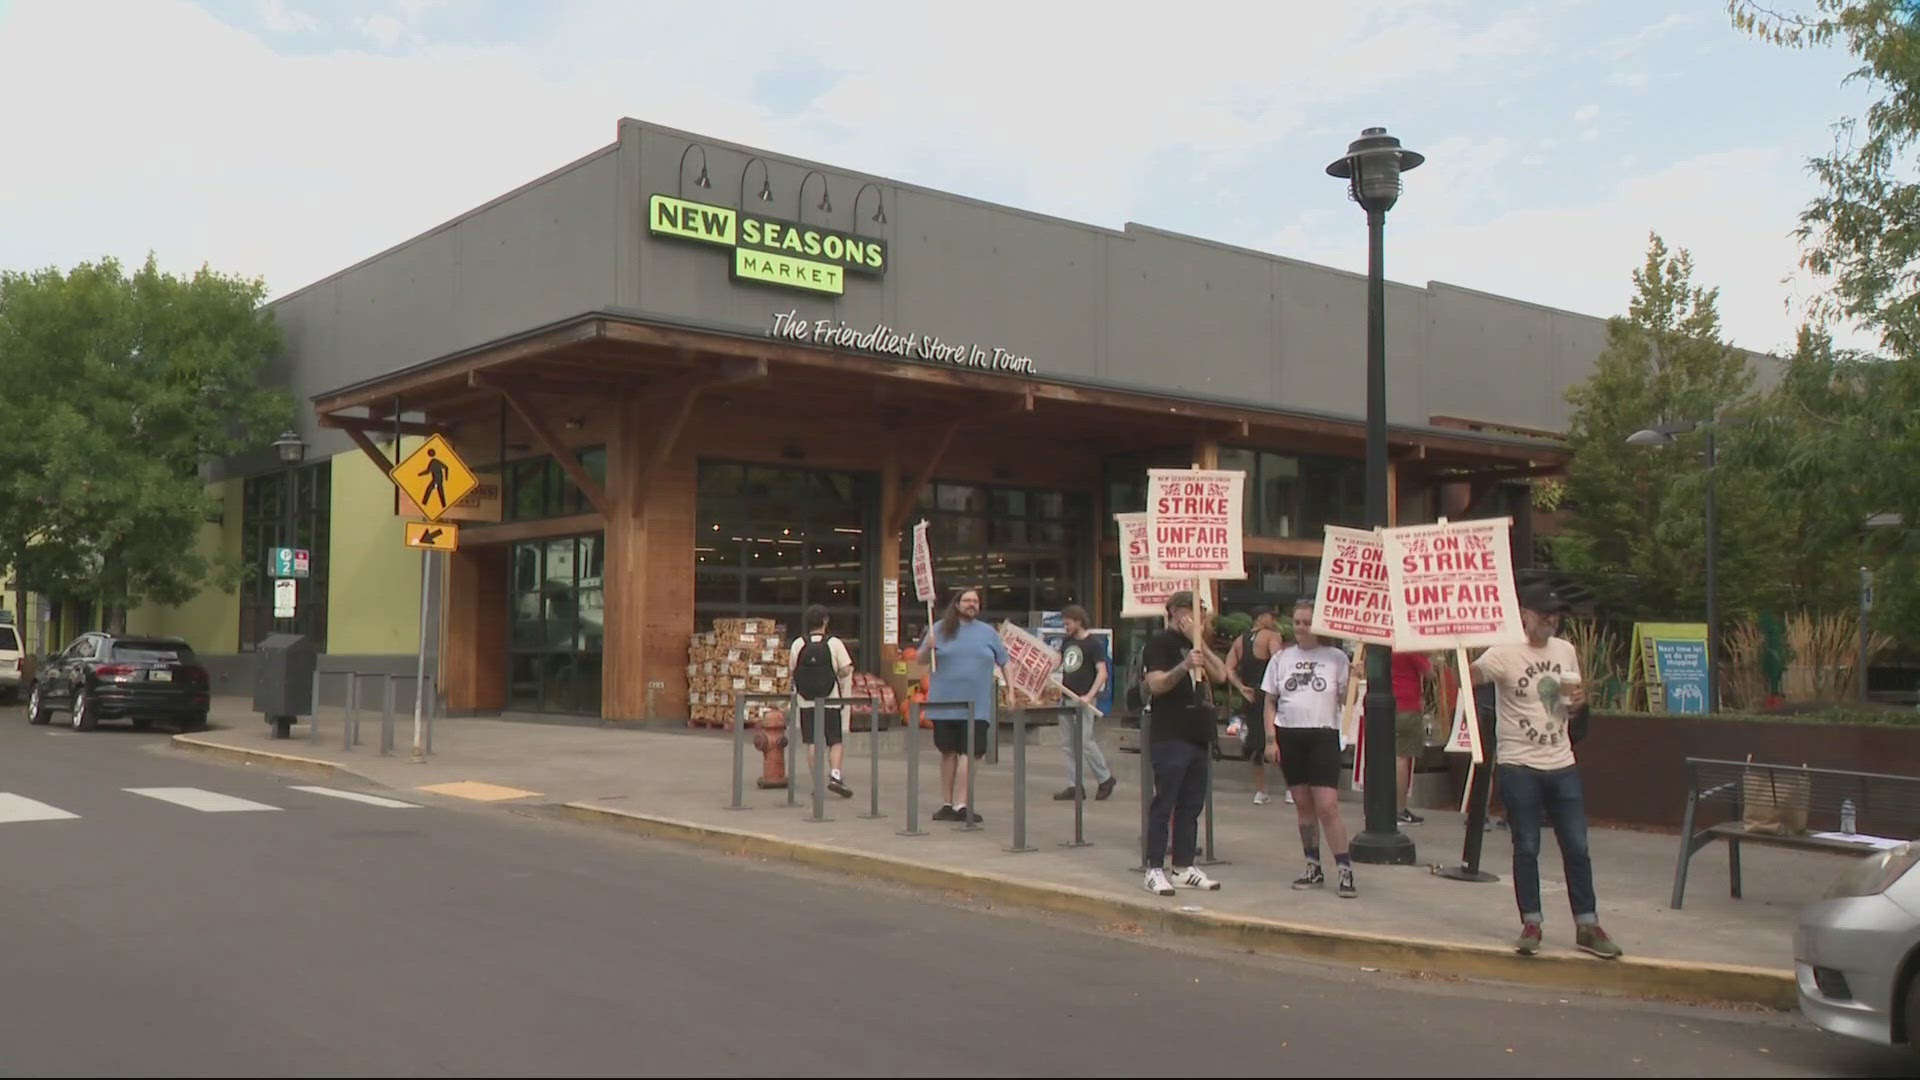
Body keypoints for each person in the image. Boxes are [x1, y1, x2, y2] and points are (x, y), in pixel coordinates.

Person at [1470, 580, 1623, 959]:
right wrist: (1460, 648)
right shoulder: (1504, 651)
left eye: (1556, 614)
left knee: (1577, 846)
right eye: (1545, 614)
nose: (1551, 620)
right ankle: (1532, 921)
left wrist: (1579, 704)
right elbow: (1470, 676)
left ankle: (1587, 923)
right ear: (1525, 614)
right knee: (1526, 845)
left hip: (1561, 760)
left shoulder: (1566, 650)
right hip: (1519, 763)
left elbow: (1571, 701)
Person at [1264, 600, 1358, 898]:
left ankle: (1344, 868)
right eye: (1298, 622)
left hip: (1323, 734)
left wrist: (1355, 679)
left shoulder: (1336, 657)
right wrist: (1270, 739)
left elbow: (1346, 700)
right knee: (1303, 804)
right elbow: (1270, 701)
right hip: (1290, 733)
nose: (1302, 628)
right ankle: (1312, 864)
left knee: (1327, 805)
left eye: (1307, 622)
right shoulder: (1281, 658)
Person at [1140, 590, 1228, 896]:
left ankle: (1183, 865)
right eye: (1191, 610)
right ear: (1175, 612)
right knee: (1165, 802)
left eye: (1201, 611)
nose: (1197, 616)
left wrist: (1199, 642)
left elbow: (1221, 676)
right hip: (1170, 732)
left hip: (1197, 733)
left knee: (1191, 804)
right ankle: (1153, 867)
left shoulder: (1197, 645)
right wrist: (1184, 667)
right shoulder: (1160, 643)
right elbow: (1156, 684)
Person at [918, 588, 1009, 824]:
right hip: (944, 703)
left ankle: (962, 804)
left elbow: (1005, 661)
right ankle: (947, 803)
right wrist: (928, 646)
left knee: (971, 753)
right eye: (967, 600)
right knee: (948, 753)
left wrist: (1013, 690)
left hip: (976, 705)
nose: (971, 604)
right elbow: (919, 660)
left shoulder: (988, 633)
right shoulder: (939, 628)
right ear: (957, 604)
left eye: (975, 601)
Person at [789, 604, 856, 799]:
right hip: (830, 700)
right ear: (825, 621)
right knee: (834, 740)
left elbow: (792, 669)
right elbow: (846, 669)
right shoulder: (834, 643)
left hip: (806, 701)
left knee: (812, 741)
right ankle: (835, 774)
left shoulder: (798, 644)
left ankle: (816, 784)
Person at [1052, 604, 1116, 801]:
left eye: (1068, 623)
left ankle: (1105, 778)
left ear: (1078, 621)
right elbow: (1057, 662)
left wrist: (1089, 696)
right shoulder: (1066, 642)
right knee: (1068, 744)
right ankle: (1074, 785)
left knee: (1085, 741)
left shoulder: (1093, 644)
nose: (1066, 627)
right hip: (1066, 697)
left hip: (1084, 700)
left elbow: (1102, 673)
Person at [1224, 606, 1284, 806]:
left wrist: (1241, 687)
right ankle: (1291, 789)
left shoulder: (1240, 640)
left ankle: (1261, 790)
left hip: (1250, 694)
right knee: (1281, 739)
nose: (1273, 619)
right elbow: (1279, 663)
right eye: (1271, 616)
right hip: (1270, 695)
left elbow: (1229, 667)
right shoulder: (1271, 636)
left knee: (1255, 744)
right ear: (1261, 617)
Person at [1393, 650, 1435, 825]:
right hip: (1406, 705)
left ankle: (1378, 807)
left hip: (1383, 707)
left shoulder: (1380, 644)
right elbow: (1430, 672)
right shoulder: (1407, 647)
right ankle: (1399, 810)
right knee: (1401, 757)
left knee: (1383, 758)